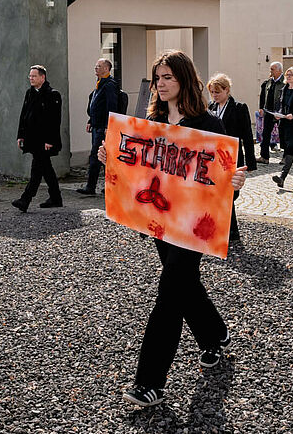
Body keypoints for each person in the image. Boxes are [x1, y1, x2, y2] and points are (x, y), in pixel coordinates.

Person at [100, 51, 246, 408]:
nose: (161, 84)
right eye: (158, 78)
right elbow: (137, 167)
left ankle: (149, 381)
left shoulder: (209, 124)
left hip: (194, 225)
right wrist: (111, 158)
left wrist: (235, 180)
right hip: (160, 220)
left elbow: (225, 173)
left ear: (184, 79)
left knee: (169, 294)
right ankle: (215, 334)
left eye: (167, 77)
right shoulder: (151, 122)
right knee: (184, 284)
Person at [207, 73, 256, 245]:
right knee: (221, 193)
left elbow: (247, 136)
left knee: (230, 193)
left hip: (233, 158)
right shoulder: (210, 108)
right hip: (214, 160)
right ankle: (229, 232)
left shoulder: (239, 108)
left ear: (227, 90)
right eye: (212, 92)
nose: (214, 95)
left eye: (217, 92)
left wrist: (250, 162)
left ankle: (230, 231)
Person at [13, 65, 63, 212]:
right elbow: (24, 115)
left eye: (34, 76)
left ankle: (25, 199)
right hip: (32, 139)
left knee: (37, 170)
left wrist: (50, 140)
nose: (31, 78)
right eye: (30, 76)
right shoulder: (30, 93)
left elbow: (54, 120)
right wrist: (20, 136)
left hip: (45, 141)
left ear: (43, 77)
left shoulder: (52, 94)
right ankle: (56, 197)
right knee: (46, 169)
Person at [77, 58, 118, 196]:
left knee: (100, 157)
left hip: (103, 127)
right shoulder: (100, 84)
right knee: (98, 156)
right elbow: (96, 105)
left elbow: (111, 106)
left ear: (106, 69)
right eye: (96, 66)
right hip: (97, 125)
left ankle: (93, 186)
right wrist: (90, 120)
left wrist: (108, 125)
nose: (96, 68)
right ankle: (93, 186)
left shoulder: (109, 85)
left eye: (99, 66)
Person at [257, 62, 285, 163]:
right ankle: (264, 157)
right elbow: (263, 95)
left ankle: (285, 158)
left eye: (272, 69)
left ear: (279, 70)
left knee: (283, 134)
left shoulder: (284, 82)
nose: (271, 71)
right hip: (268, 112)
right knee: (266, 134)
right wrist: (261, 108)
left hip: (280, 113)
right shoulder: (268, 82)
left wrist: (283, 112)